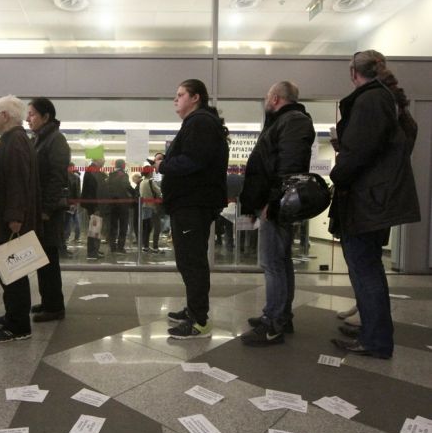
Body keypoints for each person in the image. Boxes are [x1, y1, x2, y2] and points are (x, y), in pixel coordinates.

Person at [330, 50, 420, 359]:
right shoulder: (389, 100)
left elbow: (360, 152)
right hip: (376, 196)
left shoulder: (370, 100)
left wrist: (337, 173)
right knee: (367, 266)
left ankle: (376, 339)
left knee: (364, 268)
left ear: (355, 74)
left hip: (366, 198)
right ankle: (370, 329)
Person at [239, 81, 315, 346]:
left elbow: (288, 168)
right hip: (276, 201)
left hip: (277, 203)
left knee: (273, 263)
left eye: (266, 97)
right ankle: (279, 315)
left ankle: (274, 323)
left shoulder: (292, 121)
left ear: (275, 99)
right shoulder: (286, 121)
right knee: (280, 261)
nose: (265, 101)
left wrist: (272, 201)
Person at [155, 79, 229, 339]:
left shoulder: (200, 122)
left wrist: (163, 166)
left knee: (193, 262)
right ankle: (193, 308)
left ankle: (200, 320)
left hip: (193, 202)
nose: (175, 99)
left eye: (180, 94)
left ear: (195, 97)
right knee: (187, 260)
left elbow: (194, 161)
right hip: (189, 202)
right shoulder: (197, 123)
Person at [0, 95, 42, 342]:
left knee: (13, 273)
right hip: (8, 218)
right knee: (11, 273)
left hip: (10, 221)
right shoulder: (14, 140)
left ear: (4, 116)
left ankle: (18, 325)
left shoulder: (14, 142)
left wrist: (15, 216)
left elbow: (17, 180)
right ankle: (13, 315)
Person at [25, 97, 70, 322]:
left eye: (32, 114)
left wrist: (45, 209)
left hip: (49, 211)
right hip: (40, 209)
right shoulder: (41, 139)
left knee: (49, 257)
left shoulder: (55, 140)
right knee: (42, 258)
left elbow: (57, 178)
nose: (27, 118)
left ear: (46, 117)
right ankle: (48, 301)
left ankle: (55, 307)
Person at [81, 158, 108, 259]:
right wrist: (95, 207)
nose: (104, 162)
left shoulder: (93, 170)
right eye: (103, 160)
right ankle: (92, 252)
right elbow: (94, 191)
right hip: (94, 205)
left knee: (96, 228)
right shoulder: (93, 170)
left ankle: (95, 249)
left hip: (94, 204)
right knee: (94, 229)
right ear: (98, 160)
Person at [107, 159, 133, 253]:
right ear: (123, 165)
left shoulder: (110, 175)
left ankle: (112, 246)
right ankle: (120, 247)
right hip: (122, 204)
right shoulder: (123, 174)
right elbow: (126, 185)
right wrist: (135, 193)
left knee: (113, 226)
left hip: (112, 204)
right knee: (123, 226)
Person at [139, 164, 163, 253]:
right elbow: (159, 192)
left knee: (147, 228)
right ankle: (155, 247)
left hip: (144, 207)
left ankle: (145, 246)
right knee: (157, 227)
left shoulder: (141, 182)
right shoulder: (150, 182)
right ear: (149, 172)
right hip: (153, 207)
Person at [63, 162, 82, 247]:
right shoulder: (75, 177)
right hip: (73, 202)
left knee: (67, 221)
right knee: (74, 219)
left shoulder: (65, 177)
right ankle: (76, 236)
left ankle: (66, 238)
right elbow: (77, 191)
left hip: (67, 202)